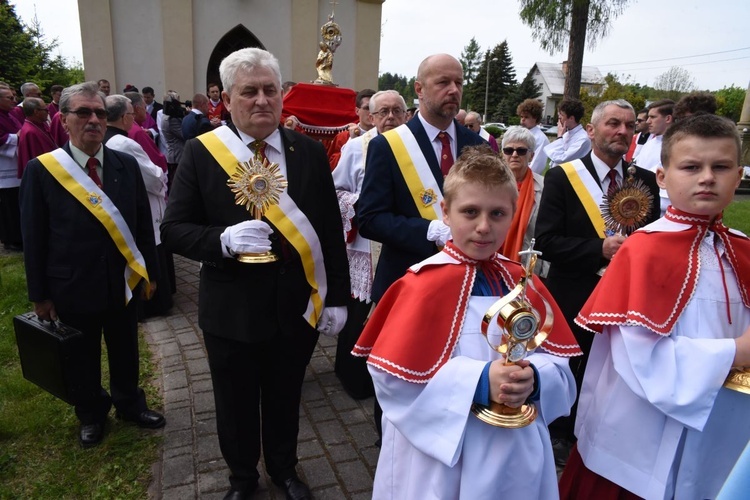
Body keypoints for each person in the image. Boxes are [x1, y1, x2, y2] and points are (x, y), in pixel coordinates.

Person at [161, 47, 349, 500]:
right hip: (231, 309)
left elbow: (327, 227)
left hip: (294, 305)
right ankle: (242, 479)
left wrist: (337, 297)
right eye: (249, 92)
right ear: (226, 99)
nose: (262, 100)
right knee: (235, 404)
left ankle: (285, 470)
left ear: (283, 96)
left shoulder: (306, 152)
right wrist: (221, 240)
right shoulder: (202, 153)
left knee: (285, 398)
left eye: (270, 90)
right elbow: (173, 229)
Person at [353, 145, 581, 499]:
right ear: (445, 212)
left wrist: (534, 379)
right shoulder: (419, 284)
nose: (484, 227)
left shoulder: (523, 281)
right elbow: (390, 380)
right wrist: (478, 381)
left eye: (498, 213)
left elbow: (560, 364)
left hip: (515, 448)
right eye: (470, 211)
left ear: (514, 212)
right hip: (442, 458)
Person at [559, 113, 750, 500]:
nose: (707, 177)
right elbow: (641, 360)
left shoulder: (742, 248)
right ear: (662, 177)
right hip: (641, 437)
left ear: (740, 174)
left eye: (721, 166)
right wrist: (737, 351)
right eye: (692, 167)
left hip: (723, 427)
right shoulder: (642, 251)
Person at [19, 81, 164, 448]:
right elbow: (33, 238)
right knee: (81, 356)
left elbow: (141, 225)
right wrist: (40, 294)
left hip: (121, 281)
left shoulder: (125, 165)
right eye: (83, 112)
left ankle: (130, 404)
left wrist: (150, 273)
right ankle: (91, 413)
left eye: (99, 112)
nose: (94, 120)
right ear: (64, 119)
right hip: (71, 283)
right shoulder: (43, 171)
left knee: (126, 348)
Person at [534, 99, 661, 465]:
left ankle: (603, 427)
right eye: (612, 124)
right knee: (573, 364)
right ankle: (560, 431)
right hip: (575, 290)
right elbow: (546, 242)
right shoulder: (562, 176)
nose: (622, 131)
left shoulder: (645, 180)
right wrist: (599, 249)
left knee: (616, 365)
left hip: (627, 294)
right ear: (591, 130)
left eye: (628, 126)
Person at [358, 53, 486, 305]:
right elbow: (370, 219)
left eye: (458, 83)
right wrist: (429, 230)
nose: (453, 90)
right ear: (419, 89)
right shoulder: (388, 145)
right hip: (405, 283)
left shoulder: (479, 146)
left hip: (467, 285)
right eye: (443, 83)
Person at [332, 89, 407, 399]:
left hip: (404, 242)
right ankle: (354, 378)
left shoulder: (413, 149)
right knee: (361, 314)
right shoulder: (355, 148)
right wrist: (364, 204)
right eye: (383, 112)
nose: (390, 117)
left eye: (396, 111)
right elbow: (335, 192)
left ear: (406, 115)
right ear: (371, 117)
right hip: (365, 245)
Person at [103, 94, 171, 317]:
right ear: (124, 117)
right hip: (140, 201)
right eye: (132, 114)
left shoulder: (106, 138)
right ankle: (152, 303)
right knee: (148, 244)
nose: (133, 118)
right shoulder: (124, 142)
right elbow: (151, 176)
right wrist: (162, 176)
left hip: (120, 204)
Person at [499, 126, 548, 276]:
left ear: (531, 156)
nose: (514, 155)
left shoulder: (545, 187)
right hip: (493, 262)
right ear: (502, 154)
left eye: (521, 151)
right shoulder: (489, 185)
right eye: (508, 150)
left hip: (530, 268)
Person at [636, 99, 675, 216]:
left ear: (668, 119)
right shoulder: (649, 143)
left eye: (653, 117)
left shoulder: (677, 146)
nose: (648, 121)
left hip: (663, 208)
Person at [327, 88, 376, 170]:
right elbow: (331, 167)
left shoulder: (385, 136)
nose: (371, 113)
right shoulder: (343, 138)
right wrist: (350, 143)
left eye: (374, 108)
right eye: (367, 108)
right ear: (357, 111)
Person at [0, 85, 23, 251]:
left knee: (15, 203)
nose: (14, 100)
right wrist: (17, 137)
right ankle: (10, 239)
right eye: (9, 98)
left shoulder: (9, 115)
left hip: (13, 163)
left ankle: (17, 236)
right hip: (4, 167)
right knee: (8, 206)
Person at [543, 97, 591, 167]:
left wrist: (559, 137)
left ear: (571, 118)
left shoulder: (583, 139)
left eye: (561, 116)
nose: (559, 119)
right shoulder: (566, 134)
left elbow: (561, 159)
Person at [16, 97, 57, 179]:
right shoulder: (30, 132)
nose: (48, 112)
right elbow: (36, 157)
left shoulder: (39, 124)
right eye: (45, 110)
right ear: (36, 112)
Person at [517, 98, 550, 174]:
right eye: (521, 117)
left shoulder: (541, 139)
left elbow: (537, 166)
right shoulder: (518, 134)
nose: (523, 120)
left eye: (526, 117)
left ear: (535, 118)